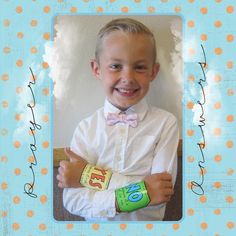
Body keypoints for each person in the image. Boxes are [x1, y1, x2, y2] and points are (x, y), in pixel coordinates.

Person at [56, 18, 179, 221]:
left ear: (153, 72)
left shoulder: (166, 123)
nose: (128, 77)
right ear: (97, 69)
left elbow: (160, 194)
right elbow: (74, 201)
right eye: (115, 66)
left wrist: (88, 176)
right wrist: (143, 191)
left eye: (139, 67)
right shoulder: (86, 129)